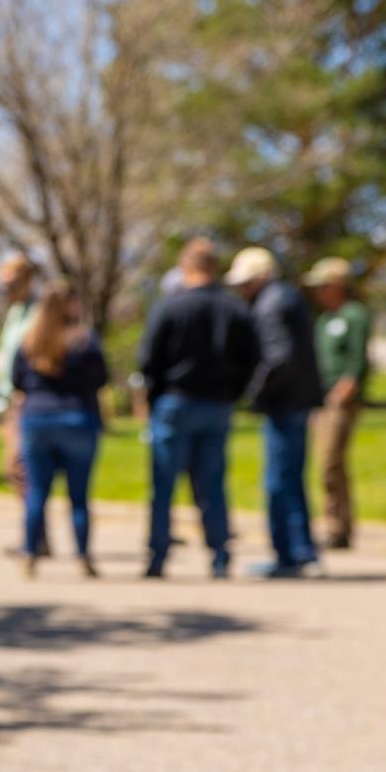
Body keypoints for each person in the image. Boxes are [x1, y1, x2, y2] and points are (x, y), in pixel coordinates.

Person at [138, 238, 258, 579]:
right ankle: (219, 553)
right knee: (212, 482)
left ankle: (158, 555)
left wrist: (155, 395)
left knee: (163, 483)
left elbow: (148, 359)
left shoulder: (170, 307)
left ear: (186, 267)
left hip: (175, 402)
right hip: (217, 405)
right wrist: (233, 392)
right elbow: (252, 358)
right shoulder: (234, 308)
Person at [227, 246, 324, 577]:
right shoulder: (287, 298)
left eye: (245, 282)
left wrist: (255, 392)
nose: (241, 290)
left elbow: (279, 357)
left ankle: (289, 555)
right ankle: (302, 553)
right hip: (297, 401)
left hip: (285, 404)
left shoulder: (271, 304)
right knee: (292, 478)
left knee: (278, 482)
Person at [10, 281, 109, 577]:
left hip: (37, 419)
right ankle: (82, 556)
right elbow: (101, 378)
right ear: (69, 304)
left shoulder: (29, 341)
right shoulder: (83, 340)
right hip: (76, 419)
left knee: (37, 492)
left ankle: (29, 553)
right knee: (78, 496)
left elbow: (16, 381)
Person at [304, 256, 370, 550]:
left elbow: (357, 360)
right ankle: (335, 525)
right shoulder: (325, 320)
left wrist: (343, 393)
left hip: (339, 401)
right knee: (324, 464)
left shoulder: (354, 315)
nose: (318, 292)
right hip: (319, 398)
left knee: (331, 462)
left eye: (323, 285)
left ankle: (339, 526)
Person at [0, 254, 38, 507]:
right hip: (12, 400)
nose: (5, 290)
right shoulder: (15, 313)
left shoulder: (39, 312)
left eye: (10, 284)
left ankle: (34, 535)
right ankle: (33, 532)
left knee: (19, 467)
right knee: (19, 470)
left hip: (27, 398)